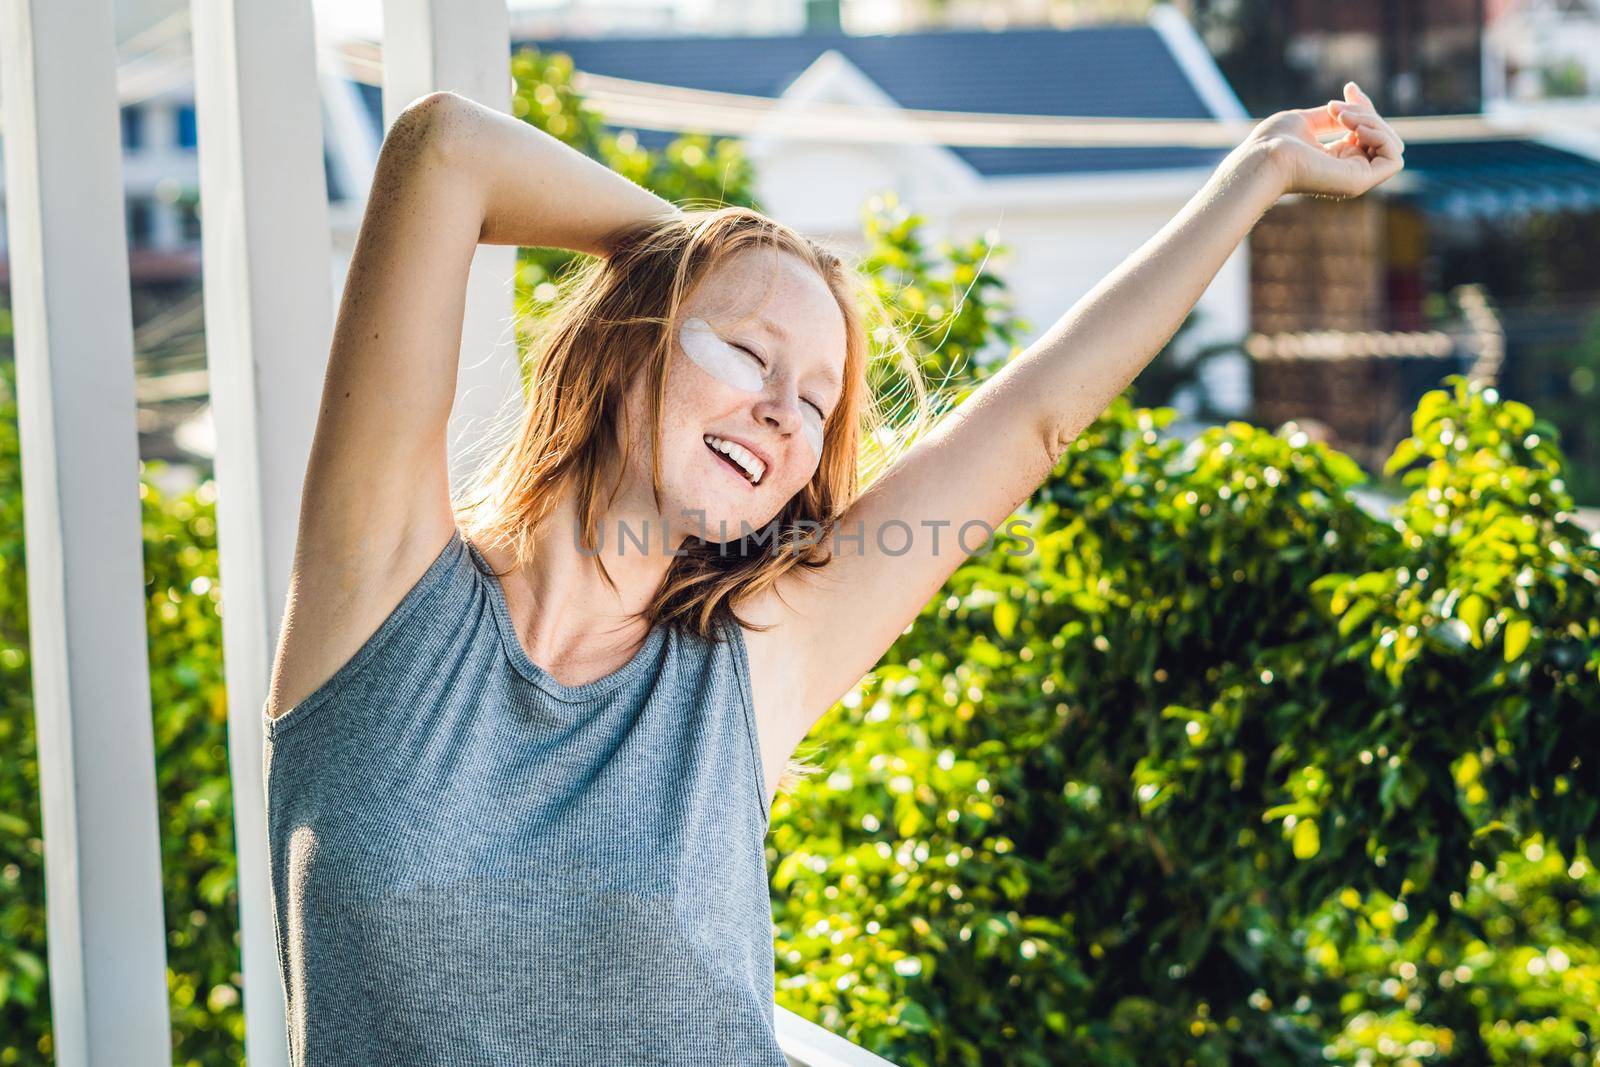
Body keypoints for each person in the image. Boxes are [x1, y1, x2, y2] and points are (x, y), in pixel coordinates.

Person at [260, 80, 1402, 1064]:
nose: (780, 410)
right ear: (624, 344)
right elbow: (443, 148)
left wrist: (1255, 175)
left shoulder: (746, 664)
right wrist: (706, 257)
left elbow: (1037, 422)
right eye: (748, 353)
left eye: (813, 402)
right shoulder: (382, 592)